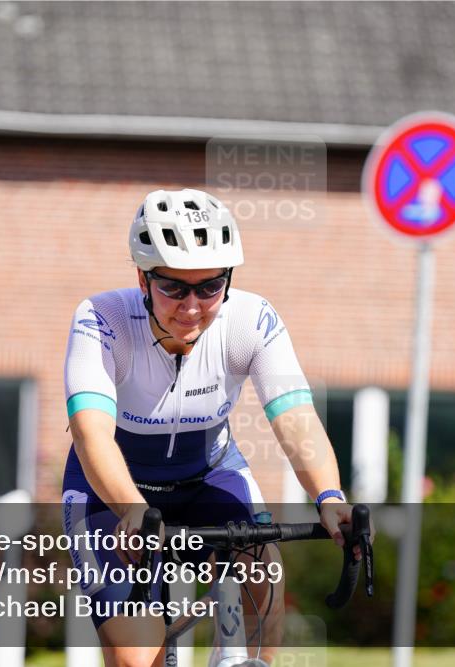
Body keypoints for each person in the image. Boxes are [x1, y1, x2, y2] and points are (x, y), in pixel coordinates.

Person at [62, 188, 366, 667]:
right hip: (113, 491)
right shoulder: (103, 319)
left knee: (263, 578)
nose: (192, 305)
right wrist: (133, 509)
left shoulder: (251, 321)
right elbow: (91, 434)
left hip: (209, 475)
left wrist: (329, 497)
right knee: (138, 658)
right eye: (173, 287)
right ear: (142, 277)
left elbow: (296, 420)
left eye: (209, 287)